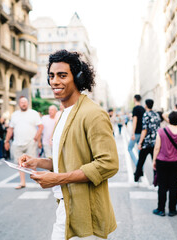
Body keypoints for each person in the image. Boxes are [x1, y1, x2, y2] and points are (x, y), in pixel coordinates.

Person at [19, 50, 119, 239]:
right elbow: (66, 158)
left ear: (78, 78)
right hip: (66, 204)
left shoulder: (93, 114)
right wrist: (38, 162)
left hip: (85, 210)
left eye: (62, 75)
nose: (55, 81)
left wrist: (57, 179)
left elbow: (108, 164)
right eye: (51, 76)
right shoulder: (63, 113)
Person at [152, 111, 177, 217]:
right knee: (173, 186)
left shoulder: (161, 131)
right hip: (176, 163)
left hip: (162, 162)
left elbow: (157, 147)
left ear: (169, 119)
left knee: (162, 186)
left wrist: (154, 160)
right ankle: (172, 210)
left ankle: (161, 209)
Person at [4, 96, 43, 189]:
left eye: (25, 102)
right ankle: (22, 183)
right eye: (22, 102)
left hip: (30, 142)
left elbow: (41, 127)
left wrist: (36, 139)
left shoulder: (33, 113)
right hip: (17, 143)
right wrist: (6, 141)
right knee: (20, 164)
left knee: (32, 162)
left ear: (28, 103)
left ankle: (37, 180)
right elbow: (10, 129)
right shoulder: (14, 115)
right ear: (19, 104)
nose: (24, 104)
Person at [134, 99, 161, 182]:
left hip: (146, 142)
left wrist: (140, 142)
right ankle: (156, 181)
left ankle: (136, 177)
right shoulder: (156, 115)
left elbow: (144, 130)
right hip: (155, 142)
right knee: (155, 162)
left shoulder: (146, 115)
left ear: (146, 105)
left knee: (141, 161)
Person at [128, 94, 145, 165]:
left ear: (134, 99)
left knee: (129, 148)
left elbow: (135, 121)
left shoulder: (135, 108)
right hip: (143, 132)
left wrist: (133, 133)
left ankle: (137, 164)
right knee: (139, 148)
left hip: (137, 132)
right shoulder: (143, 108)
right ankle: (140, 166)